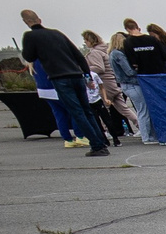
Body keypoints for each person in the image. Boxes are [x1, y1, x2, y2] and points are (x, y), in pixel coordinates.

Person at [18, 9, 110, 156]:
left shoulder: (30, 36)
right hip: (77, 75)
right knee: (87, 110)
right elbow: (78, 55)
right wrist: (87, 76)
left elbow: (29, 55)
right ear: (40, 19)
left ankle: (97, 145)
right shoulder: (57, 34)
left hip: (60, 78)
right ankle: (101, 140)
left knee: (77, 112)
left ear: (26, 22)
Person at [82, 29, 136, 138]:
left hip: (104, 85)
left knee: (101, 109)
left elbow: (99, 68)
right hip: (112, 82)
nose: (85, 43)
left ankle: (105, 131)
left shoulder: (94, 53)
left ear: (90, 41)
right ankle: (140, 125)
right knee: (123, 108)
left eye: (85, 40)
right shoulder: (105, 49)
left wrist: (84, 68)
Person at [107, 33, 148, 143]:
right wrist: (138, 69)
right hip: (131, 84)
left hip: (124, 84)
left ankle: (144, 134)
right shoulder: (119, 54)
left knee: (139, 110)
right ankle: (146, 135)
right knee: (143, 110)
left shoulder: (112, 54)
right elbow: (129, 71)